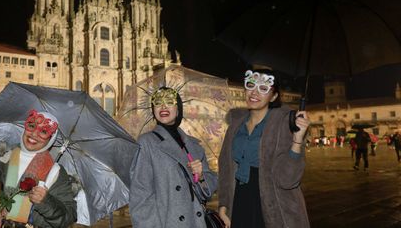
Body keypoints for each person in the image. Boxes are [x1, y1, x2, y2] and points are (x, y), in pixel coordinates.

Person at [218, 69, 310, 228]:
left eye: (263, 88)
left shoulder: (284, 124)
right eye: (251, 85)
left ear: (273, 96)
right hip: (239, 200)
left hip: (273, 202)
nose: (254, 92)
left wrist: (297, 140)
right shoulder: (235, 126)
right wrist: (223, 205)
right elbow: (225, 167)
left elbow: (288, 180)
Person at [0, 109, 77, 228]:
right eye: (31, 126)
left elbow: (68, 217)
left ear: (51, 139)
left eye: (44, 131)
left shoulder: (56, 173)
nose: (34, 134)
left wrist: (46, 202)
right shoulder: (2, 160)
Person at [129, 87, 218, 228]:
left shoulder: (194, 145)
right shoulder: (146, 143)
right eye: (157, 102)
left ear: (178, 109)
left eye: (169, 101)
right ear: (153, 110)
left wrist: (200, 177)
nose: (163, 106)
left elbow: (207, 192)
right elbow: (141, 196)